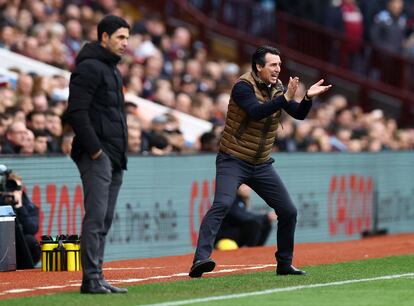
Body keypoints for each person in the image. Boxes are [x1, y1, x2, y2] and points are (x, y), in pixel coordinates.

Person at [189, 45, 332, 278]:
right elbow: (256, 111)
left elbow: (298, 113)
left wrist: (306, 98)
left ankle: (284, 264)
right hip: (233, 159)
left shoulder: (277, 88)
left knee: (288, 211)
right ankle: (200, 259)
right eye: (273, 65)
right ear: (258, 66)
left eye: (279, 65)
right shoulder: (243, 86)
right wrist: (285, 98)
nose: (278, 69)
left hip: (261, 162)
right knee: (223, 204)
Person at [65, 15, 130, 294]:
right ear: (104, 37)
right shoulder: (90, 67)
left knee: (104, 218)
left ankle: (97, 275)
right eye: (120, 37)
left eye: (127, 38)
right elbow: (76, 112)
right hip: (98, 154)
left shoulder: (112, 69)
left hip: (114, 155)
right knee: (95, 216)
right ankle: (90, 278)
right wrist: (95, 150)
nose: (125, 43)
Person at [215, 184, 277, 249]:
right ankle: (250, 250)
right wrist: (265, 217)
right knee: (255, 223)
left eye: (248, 186)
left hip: (235, 237)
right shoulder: (232, 200)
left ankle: (258, 249)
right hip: (225, 239)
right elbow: (242, 217)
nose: (248, 188)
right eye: (244, 186)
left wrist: (266, 218)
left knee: (266, 223)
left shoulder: (241, 201)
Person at [0, 171, 41, 269]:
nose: (12, 191)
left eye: (16, 188)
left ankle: (25, 271)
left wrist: (19, 207)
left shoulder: (29, 206)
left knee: (31, 241)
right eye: (9, 186)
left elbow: (32, 229)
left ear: (21, 190)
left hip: (19, 248)